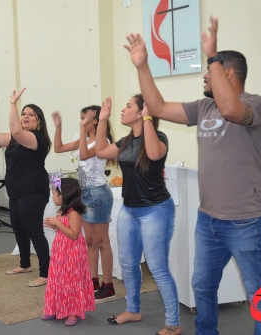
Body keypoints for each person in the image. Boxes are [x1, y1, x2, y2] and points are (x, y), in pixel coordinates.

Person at [124, 16, 261, 335]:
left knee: (259, 297)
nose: (204, 78)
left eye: (209, 73)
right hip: (208, 220)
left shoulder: (256, 106)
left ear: (227, 72)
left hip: (246, 220)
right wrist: (142, 66)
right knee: (203, 288)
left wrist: (212, 55)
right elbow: (159, 107)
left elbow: (232, 110)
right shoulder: (203, 108)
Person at [95, 95, 180, 335]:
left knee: (158, 268)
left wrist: (148, 117)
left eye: (129, 106)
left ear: (143, 111)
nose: (122, 109)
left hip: (156, 210)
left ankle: (173, 323)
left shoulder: (158, 138)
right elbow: (101, 151)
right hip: (129, 210)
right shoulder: (124, 141)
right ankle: (133, 309)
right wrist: (103, 120)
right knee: (129, 264)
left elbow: (153, 155)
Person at [0, 91, 51, 287]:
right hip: (16, 191)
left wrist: (13, 103)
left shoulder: (37, 139)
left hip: (32, 191)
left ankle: (46, 272)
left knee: (35, 232)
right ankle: (24, 264)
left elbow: (16, 131)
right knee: (19, 229)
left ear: (38, 121)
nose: (26, 117)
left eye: (31, 114)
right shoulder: (15, 140)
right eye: (23, 113)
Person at [52, 106, 116, 300]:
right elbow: (58, 148)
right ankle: (92, 279)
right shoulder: (85, 140)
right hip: (85, 194)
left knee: (102, 241)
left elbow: (84, 155)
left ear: (96, 121)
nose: (81, 122)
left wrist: (81, 130)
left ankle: (108, 285)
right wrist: (58, 126)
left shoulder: (101, 140)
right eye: (80, 119)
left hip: (98, 193)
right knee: (89, 241)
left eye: (85, 119)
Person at [42, 177, 94, 326]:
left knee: (71, 281)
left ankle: (73, 311)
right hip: (60, 254)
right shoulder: (63, 211)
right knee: (59, 279)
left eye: (54, 194)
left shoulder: (74, 212)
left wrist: (58, 223)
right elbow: (65, 229)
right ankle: (56, 307)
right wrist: (55, 225)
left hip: (72, 255)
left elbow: (74, 234)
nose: (52, 197)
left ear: (63, 196)